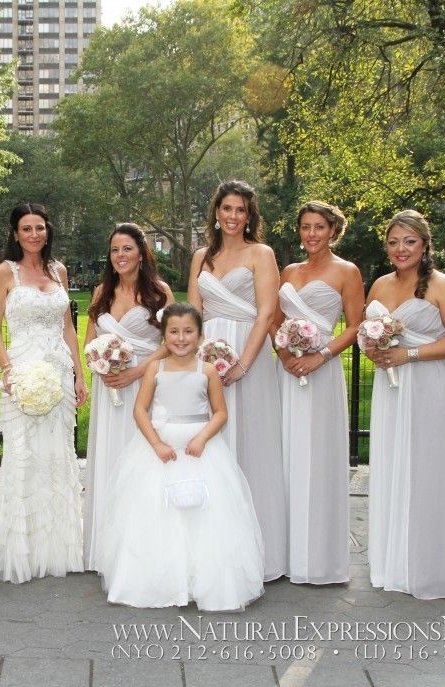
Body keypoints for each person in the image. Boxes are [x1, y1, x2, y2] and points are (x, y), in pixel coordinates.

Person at [97, 303, 265, 610]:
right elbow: (140, 410)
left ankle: (202, 579)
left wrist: (202, 438)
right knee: (158, 510)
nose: (181, 338)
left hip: (200, 450)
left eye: (188, 331)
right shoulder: (155, 369)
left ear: (200, 336)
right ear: (164, 336)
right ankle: (161, 579)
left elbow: (220, 413)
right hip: (161, 449)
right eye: (174, 332)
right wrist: (156, 444)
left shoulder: (208, 371)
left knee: (203, 514)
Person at [364, 209, 445, 599]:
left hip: (431, 387)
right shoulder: (380, 285)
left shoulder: (441, 285)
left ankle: (434, 568)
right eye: (394, 242)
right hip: (391, 390)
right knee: (394, 468)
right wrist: (374, 351)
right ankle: (396, 562)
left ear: (425, 244)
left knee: (430, 472)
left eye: (409, 241)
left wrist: (409, 354)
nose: (401, 249)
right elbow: (368, 335)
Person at [187, 179, 287, 581]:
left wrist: (244, 363)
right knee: (213, 447)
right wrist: (200, 360)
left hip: (251, 354)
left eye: (240, 210)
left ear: (249, 216)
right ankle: (212, 552)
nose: (232, 216)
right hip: (208, 356)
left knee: (253, 443)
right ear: (216, 212)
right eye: (227, 208)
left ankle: (260, 553)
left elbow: (266, 313)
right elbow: (193, 315)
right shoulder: (201, 256)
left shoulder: (261, 254)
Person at [0, 202, 87, 584]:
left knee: (58, 455)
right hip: (22, 373)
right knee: (23, 455)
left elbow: (67, 328)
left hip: (58, 372)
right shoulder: (4, 272)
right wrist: (8, 370)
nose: (34, 234)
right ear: (15, 234)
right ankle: (20, 549)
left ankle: (56, 547)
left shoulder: (59, 270)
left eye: (39, 227)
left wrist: (79, 375)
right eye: (26, 228)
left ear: (48, 231)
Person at [272, 201, 364, 585]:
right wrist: (284, 355)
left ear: (333, 231)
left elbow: (355, 327)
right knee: (286, 452)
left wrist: (320, 357)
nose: (311, 234)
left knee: (319, 455)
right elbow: (275, 320)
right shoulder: (289, 271)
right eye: (306, 227)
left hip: (322, 372)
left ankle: (321, 558)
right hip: (287, 372)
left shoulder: (347, 271)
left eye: (319, 227)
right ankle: (285, 552)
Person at [83, 223, 173, 571]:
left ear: (141, 253)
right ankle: (108, 548)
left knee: (142, 462)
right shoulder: (101, 292)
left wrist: (135, 373)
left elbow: (171, 342)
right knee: (111, 456)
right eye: (115, 250)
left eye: (127, 249)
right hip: (109, 389)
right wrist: (99, 365)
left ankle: (143, 549)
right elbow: (90, 340)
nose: (120, 256)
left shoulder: (159, 292)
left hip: (144, 385)